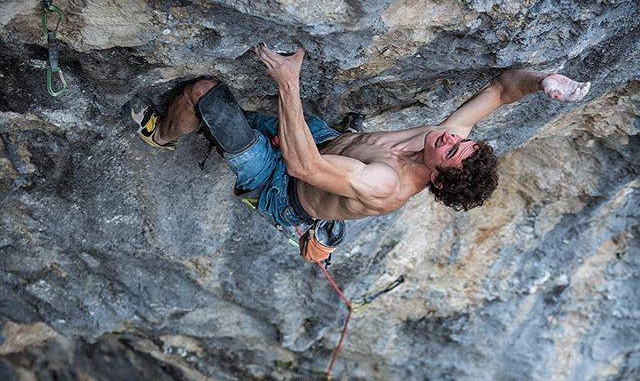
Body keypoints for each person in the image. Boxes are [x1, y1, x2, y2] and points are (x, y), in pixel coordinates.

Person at [123, 45, 590, 262]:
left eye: (451, 148)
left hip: (280, 184)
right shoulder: (440, 142)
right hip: (326, 144)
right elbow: (501, 88)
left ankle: (159, 135)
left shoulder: (387, 184)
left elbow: (301, 165)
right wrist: (545, 82)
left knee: (204, 94)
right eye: (460, 139)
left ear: (439, 179)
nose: (449, 137)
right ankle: (326, 218)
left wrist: (289, 83)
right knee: (296, 137)